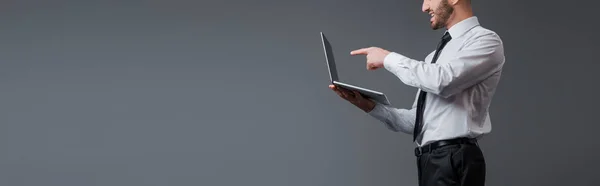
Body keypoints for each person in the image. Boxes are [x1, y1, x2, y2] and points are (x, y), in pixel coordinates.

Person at [328, 0, 505, 186]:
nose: (424, 7)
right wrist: (369, 105)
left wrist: (387, 58)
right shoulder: (433, 58)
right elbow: (416, 123)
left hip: (454, 159)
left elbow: (442, 81)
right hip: (430, 161)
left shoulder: (485, 40)